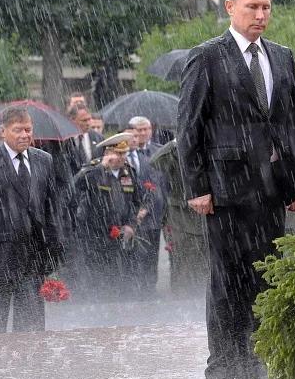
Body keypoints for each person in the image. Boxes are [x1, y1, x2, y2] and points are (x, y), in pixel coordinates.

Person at [177, 0, 295, 379]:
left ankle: (258, 367)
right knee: (227, 282)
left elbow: (290, 126)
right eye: (252, 7)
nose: (261, 15)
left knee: (265, 282)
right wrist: (197, 185)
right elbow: (189, 126)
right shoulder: (207, 57)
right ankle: (222, 366)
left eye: (266, 7)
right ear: (230, 8)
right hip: (224, 192)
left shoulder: (283, 58)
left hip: (269, 192)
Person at [0, 107, 63, 333]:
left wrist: (54, 249)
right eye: (17, 130)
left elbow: (51, 208)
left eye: (28, 130)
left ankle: (30, 367)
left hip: (33, 257)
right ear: (3, 131)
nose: (24, 135)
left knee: (31, 324)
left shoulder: (44, 160)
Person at [73, 134, 152, 294]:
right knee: (95, 277)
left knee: (118, 276)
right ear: (108, 153)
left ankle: (116, 307)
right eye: (119, 154)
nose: (123, 158)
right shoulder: (93, 169)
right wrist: (101, 168)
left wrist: (131, 225)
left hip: (119, 233)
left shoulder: (129, 172)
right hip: (93, 234)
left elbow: (138, 201)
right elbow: (76, 185)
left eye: (125, 153)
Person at [150, 139, 209, 294]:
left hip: (204, 214)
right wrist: (176, 142)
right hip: (180, 217)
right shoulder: (175, 152)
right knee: (182, 264)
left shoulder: (207, 147)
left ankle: (200, 298)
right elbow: (155, 161)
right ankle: (182, 301)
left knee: (204, 264)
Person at [126, 117, 165, 297]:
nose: (142, 133)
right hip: (129, 215)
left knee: (151, 255)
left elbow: (160, 183)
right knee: (132, 256)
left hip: (153, 214)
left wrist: (148, 207)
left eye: (145, 129)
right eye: (138, 130)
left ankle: (150, 291)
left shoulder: (159, 151)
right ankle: (134, 291)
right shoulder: (123, 153)